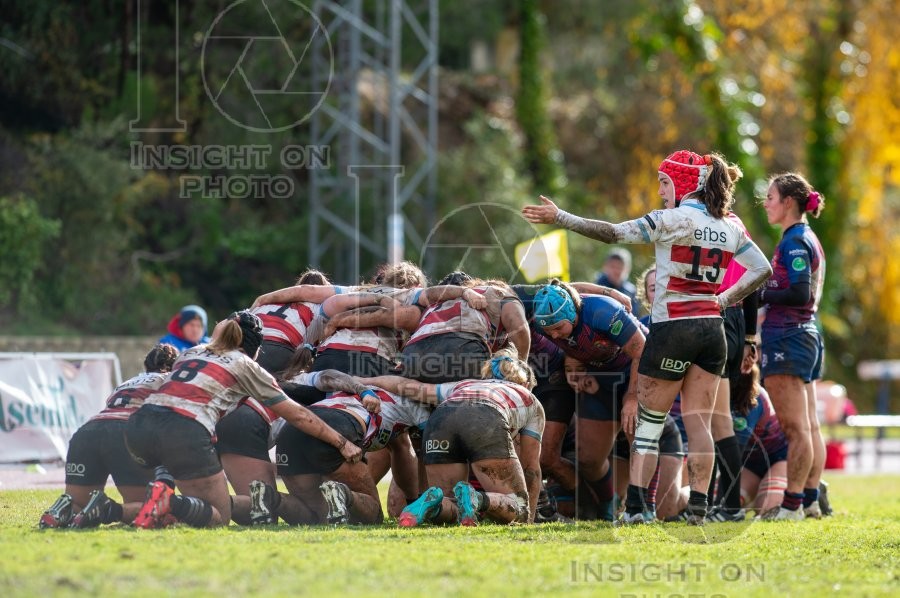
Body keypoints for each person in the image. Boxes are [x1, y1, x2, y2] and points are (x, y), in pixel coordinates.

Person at [523, 149, 772, 524]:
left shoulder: (670, 219)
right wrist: (723, 300)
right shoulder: (730, 225)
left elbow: (611, 233)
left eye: (663, 182)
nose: (660, 191)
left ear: (683, 184)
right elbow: (762, 269)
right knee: (700, 423)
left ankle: (638, 508)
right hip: (712, 331)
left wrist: (561, 217)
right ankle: (702, 507)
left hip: (672, 329)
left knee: (649, 422)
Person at [124, 311, 362, 528]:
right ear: (257, 348)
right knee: (218, 517)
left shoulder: (190, 352)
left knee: (196, 501)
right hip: (184, 429)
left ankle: (153, 502)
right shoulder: (246, 365)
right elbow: (298, 415)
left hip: (138, 427)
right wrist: (341, 442)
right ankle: (170, 503)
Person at [364, 350, 545, 526]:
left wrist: (362, 382)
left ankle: (434, 504)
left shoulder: (462, 385)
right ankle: (477, 498)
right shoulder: (529, 399)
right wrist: (528, 516)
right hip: (486, 416)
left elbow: (405, 386)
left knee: (451, 503)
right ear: (526, 383)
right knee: (519, 507)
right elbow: (531, 469)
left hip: (440, 419)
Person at [38, 344, 179, 529]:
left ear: (146, 365)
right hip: (125, 432)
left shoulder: (127, 383)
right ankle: (106, 509)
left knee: (78, 502)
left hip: (88, 432)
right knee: (151, 511)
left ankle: (61, 510)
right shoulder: (171, 380)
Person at [758, 172, 827, 520]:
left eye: (770, 197)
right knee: (809, 425)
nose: (766, 203)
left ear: (788, 203)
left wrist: (759, 293)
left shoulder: (794, 241)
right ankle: (810, 499)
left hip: (788, 337)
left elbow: (799, 292)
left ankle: (791, 505)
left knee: (795, 428)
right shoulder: (804, 236)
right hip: (805, 334)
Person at [730, 359, 789, 515]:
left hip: (780, 457)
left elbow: (733, 453)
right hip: (750, 462)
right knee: (727, 500)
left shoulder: (754, 396)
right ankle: (759, 490)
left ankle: (810, 488)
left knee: (767, 510)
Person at [595, 248, 641, 315]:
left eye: (619, 267)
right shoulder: (596, 287)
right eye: (612, 267)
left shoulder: (631, 292)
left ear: (627, 269)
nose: (616, 271)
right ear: (605, 267)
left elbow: (634, 315)